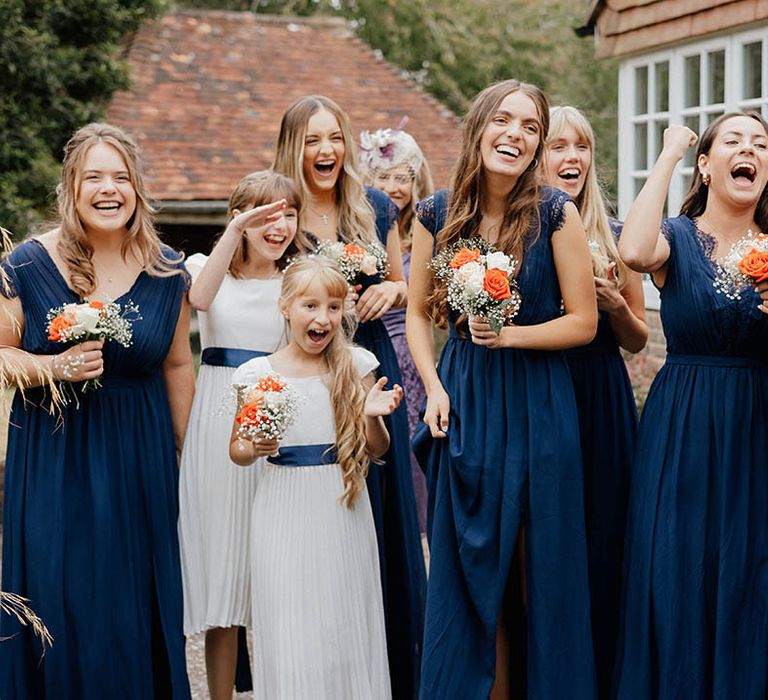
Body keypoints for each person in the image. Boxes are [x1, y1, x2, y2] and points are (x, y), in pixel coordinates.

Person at [407, 79, 598, 697]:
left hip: (540, 402)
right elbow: (416, 314)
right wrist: (434, 388)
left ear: (538, 145)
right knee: (471, 569)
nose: (515, 135)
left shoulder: (555, 213)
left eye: (530, 127)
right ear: (479, 127)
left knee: (533, 573)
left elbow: (584, 321)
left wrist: (510, 336)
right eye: (504, 121)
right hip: (467, 398)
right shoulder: (437, 213)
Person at [0, 122, 193, 698]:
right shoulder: (29, 265)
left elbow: (178, 366)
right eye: (94, 177)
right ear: (72, 187)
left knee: (132, 599)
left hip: (141, 458)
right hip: (55, 457)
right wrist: (55, 369)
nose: (109, 190)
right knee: (65, 597)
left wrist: (184, 455)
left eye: (121, 177)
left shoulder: (166, 270)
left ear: (137, 189)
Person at [273, 94, 426, 698]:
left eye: (334, 137)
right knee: (319, 515)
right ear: (294, 148)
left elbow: (406, 285)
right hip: (305, 377)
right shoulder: (276, 212)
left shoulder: (376, 206)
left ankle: (392, 673)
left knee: (384, 513)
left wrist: (392, 291)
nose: (326, 150)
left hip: (371, 371)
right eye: (311, 140)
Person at [614, 114, 768, 697]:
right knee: (677, 565)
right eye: (732, 141)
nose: (747, 150)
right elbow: (632, 248)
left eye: (759, 144)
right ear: (707, 165)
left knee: (749, 568)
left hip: (757, 426)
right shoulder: (676, 237)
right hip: (682, 427)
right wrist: (670, 151)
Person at [229, 256, 401, 699]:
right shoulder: (256, 374)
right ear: (285, 307)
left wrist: (372, 418)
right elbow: (238, 450)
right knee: (288, 617)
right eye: (310, 306)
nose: (322, 317)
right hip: (281, 508)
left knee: (342, 615)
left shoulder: (358, 364)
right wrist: (256, 446)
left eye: (333, 307)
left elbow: (378, 449)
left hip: (340, 505)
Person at [178, 171, 300, 699]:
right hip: (215, 424)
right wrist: (235, 231)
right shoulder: (204, 268)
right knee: (223, 571)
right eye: (266, 215)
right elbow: (200, 302)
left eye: (289, 214)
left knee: (273, 572)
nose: (279, 226)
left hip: (274, 415)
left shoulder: (296, 281)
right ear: (240, 220)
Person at [542, 105, 647, 696]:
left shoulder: (611, 228)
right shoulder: (522, 232)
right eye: (559, 146)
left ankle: (604, 664)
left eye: (580, 147)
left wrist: (614, 307)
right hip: (544, 387)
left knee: (604, 529)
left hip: (602, 395)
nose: (572, 158)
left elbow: (635, 341)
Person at [359, 123, 434, 532]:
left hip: (412, 355)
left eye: (402, 178)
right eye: (383, 177)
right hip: (371, 350)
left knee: (412, 455)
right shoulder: (361, 234)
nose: (394, 187)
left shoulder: (427, 233)